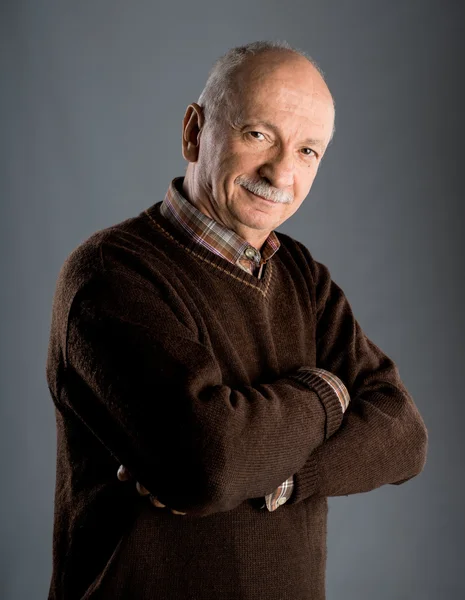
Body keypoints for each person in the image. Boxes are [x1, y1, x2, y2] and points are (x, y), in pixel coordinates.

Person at [46, 40, 428, 600]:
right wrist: (326, 395)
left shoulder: (300, 273)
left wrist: (281, 474)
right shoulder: (111, 275)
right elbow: (211, 463)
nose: (280, 171)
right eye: (258, 135)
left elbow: (403, 435)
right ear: (194, 132)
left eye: (308, 151)